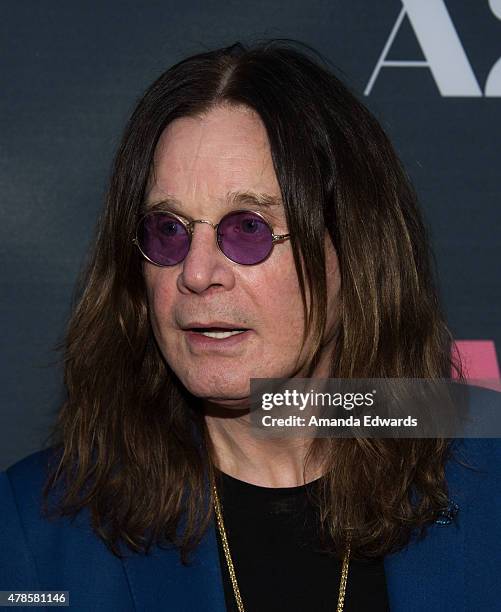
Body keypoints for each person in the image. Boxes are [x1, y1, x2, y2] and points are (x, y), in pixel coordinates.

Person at [1, 39, 500, 612]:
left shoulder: (487, 481)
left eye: (247, 228)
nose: (196, 273)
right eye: (169, 230)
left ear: (355, 248)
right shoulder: (36, 528)